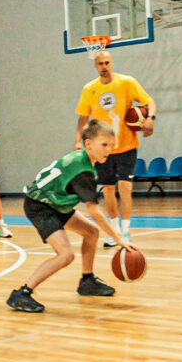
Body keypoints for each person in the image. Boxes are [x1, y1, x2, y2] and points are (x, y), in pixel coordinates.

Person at [7, 119, 139, 313]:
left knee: (91, 232)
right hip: (40, 206)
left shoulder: (84, 160)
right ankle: (22, 293)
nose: (108, 150)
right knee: (66, 255)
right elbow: (95, 212)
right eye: (104, 145)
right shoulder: (82, 169)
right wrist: (119, 239)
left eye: (110, 145)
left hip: (55, 203)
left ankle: (87, 281)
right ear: (88, 144)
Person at [74, 50, 156, 246]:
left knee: (125, 188)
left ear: (112, 63)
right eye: (100, 63)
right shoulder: (89, 88)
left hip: (126, 145)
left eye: (107, 62)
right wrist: (78, 140)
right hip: (103, 149)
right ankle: (114, 231)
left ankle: (126, 231)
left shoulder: (126, 82)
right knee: (108, 190)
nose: (104, 66)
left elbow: (149, 102)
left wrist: (150, 120)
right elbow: (83, 117)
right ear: (96, 66)